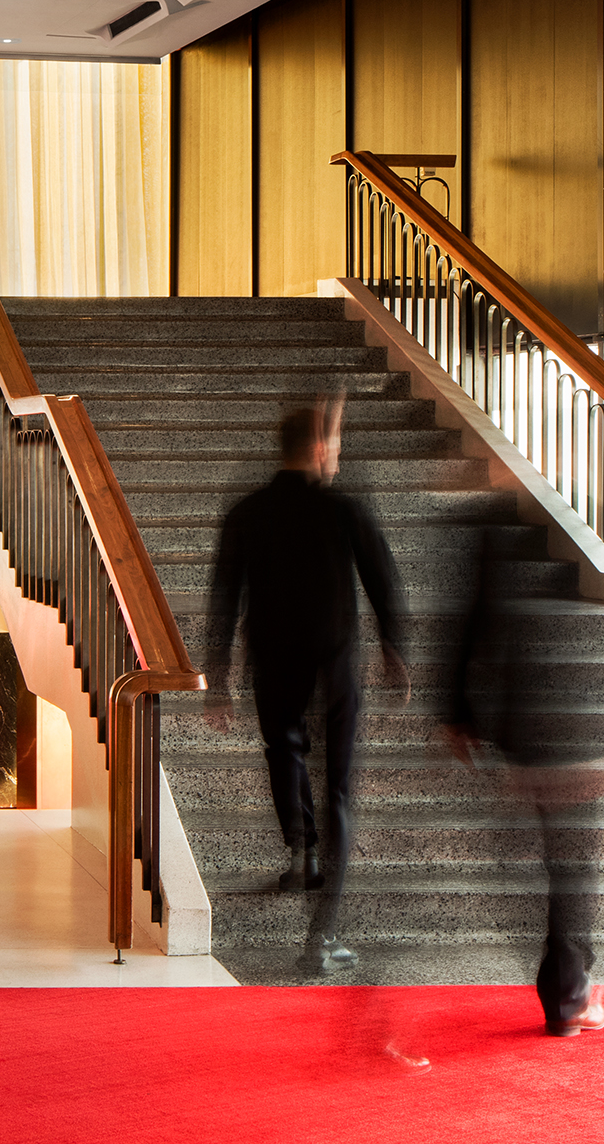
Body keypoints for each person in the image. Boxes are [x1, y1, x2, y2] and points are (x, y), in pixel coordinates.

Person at [201, 399, 408, 973]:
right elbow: (383, 581)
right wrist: (396, 652)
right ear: (318, 449)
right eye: (331, 447)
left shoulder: (247, 512)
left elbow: (223, 598)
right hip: (337, 666)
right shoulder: (344, 510)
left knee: (284, 750)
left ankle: (303, 848)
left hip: (274, 663)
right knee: (339, 789)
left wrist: (217, 678)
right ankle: (323, 935)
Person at [441, 522, 604, 1036]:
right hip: (576, 720)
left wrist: (458, 708)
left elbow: (470, 620)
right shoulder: (577, 526)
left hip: (524, 721)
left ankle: (565, 983)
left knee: (554, 863)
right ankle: (568, 989)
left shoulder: (495, 532)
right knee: (572, 863)